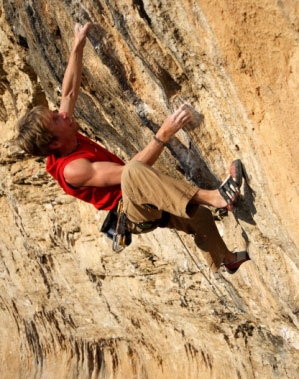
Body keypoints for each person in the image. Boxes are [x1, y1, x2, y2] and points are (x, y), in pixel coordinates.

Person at [15, 22, 250, 274]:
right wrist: (165, 133)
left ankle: (226, 259)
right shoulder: (73, 170)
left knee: (198, 217)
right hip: (134, 212)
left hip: (142, 200)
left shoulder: (65, 134)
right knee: (133, 171)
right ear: (53, 142)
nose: (60, 114)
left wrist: (77, 44)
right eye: (54, 119)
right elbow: (132, 172)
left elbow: (69, 92)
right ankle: (216, 197)